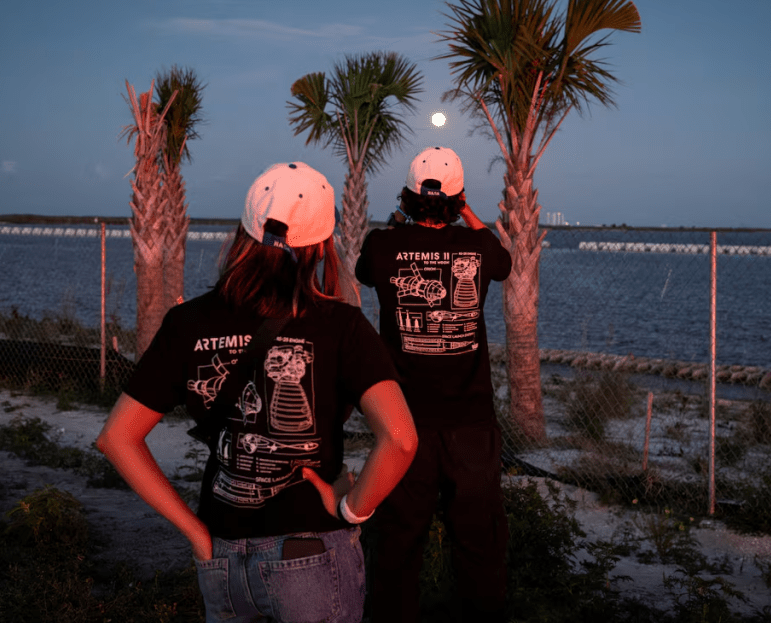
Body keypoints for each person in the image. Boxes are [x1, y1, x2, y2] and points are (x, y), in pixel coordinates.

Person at [97, 161, 418, 623]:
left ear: (243, 231)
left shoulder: (187, 323)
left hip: (222, 557)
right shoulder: (341, 325)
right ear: (323, 244)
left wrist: (196, 533)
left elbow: (118, 437)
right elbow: (402, 438)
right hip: (308, 553)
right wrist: (352, 508)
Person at [355, 147, 512, 622]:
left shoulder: (383, 246)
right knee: (479, 544)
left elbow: (364, 271)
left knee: (398, 543)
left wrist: (402, 214)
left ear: (407, 193)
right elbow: (502, 261)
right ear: (459, 196)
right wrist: (465, 209)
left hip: (402, 426)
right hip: (470, 424)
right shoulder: (479, 248)